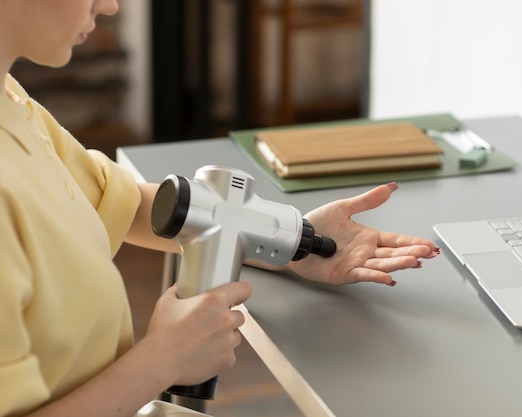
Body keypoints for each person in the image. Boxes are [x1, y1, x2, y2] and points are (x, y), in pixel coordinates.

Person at [0, 1, 441, 416]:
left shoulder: (11, 103)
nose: (110, 6)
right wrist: (162, 361)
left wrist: (292, 240)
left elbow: (126, 205)